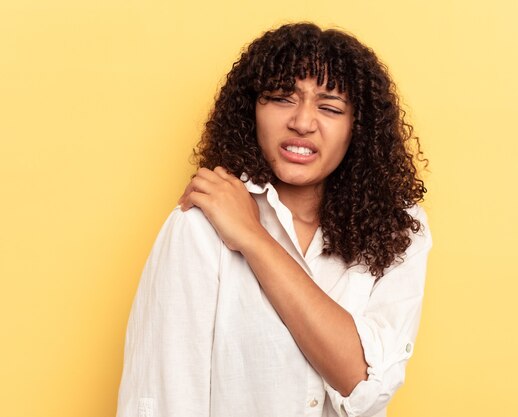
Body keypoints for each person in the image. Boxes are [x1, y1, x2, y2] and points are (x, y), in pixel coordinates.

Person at [116, 22, 432, 417]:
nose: (302, 122)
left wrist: (252, 237)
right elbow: (164, 398)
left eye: (330, 107)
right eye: (282, 98)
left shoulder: (396, 229)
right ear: (252, 109)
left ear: (358, 129)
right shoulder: (199, 226)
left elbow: (363, 381)